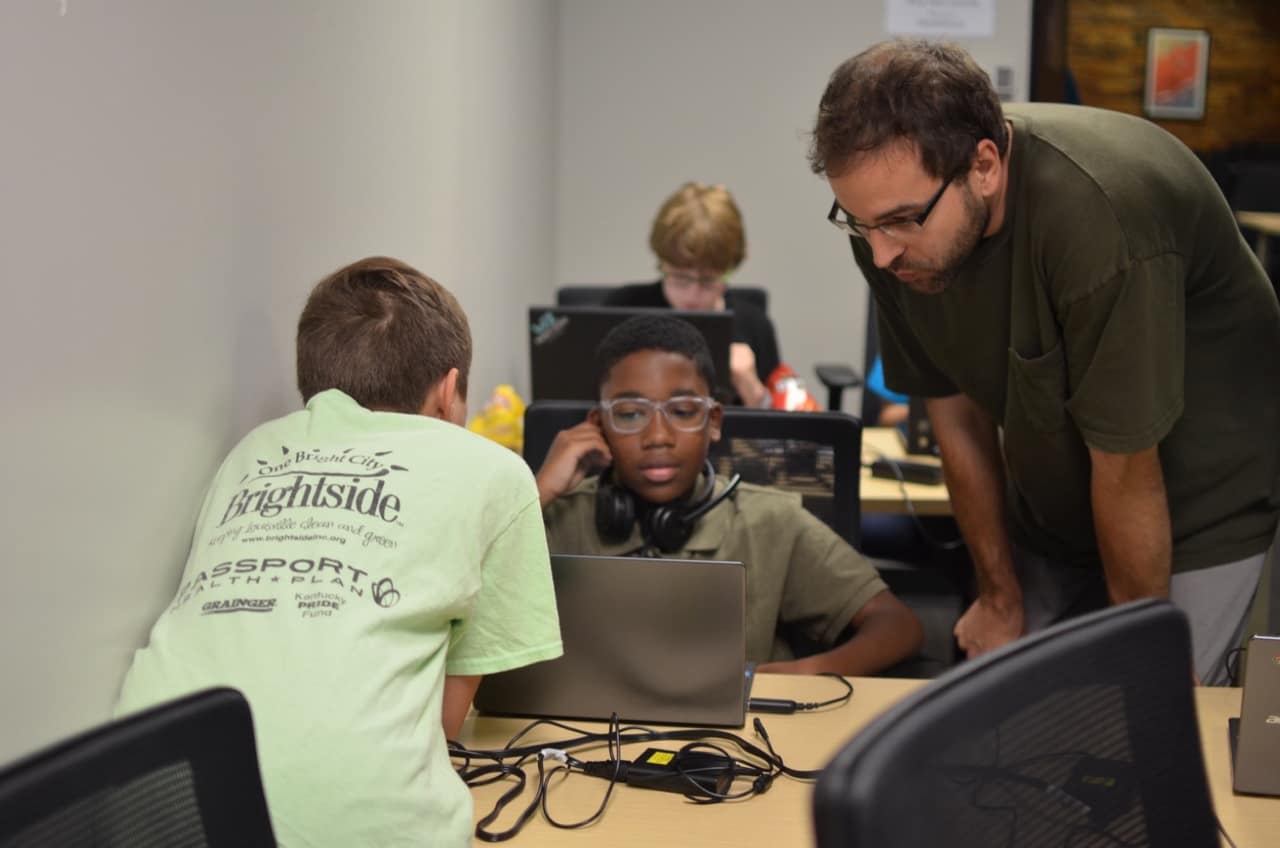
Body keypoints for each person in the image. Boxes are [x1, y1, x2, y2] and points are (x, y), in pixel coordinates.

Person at [810, 39, 1280, 684]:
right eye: (860, 224)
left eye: (901, 221)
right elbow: (955, 420)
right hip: (1059, 512)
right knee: (1011, 720)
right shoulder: (888, 229)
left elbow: (1127, 470)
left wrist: (1136, 668)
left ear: (985, 166)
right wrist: (999, 596)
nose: (882, 255)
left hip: (1199, 511)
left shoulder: (1102, 213)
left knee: (1160, 727)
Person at [114, 257, 562, 847]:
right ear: (450, 393)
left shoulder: (253, 451)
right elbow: (445, 728)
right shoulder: (495, 472)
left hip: (145, 805)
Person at [535, 314, 923, 675]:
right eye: (631, 413)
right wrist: (538, 494)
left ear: (714, 422)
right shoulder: (558, 517)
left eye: (684, 411)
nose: (657, 437)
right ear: (599, 424)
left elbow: (896, 625)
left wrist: (796, 676)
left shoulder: (769, 521)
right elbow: (474, 614)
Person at [604, 181, 782, 407]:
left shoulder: (754, 325)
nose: (693, 293)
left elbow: (775, 435)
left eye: (708, 280)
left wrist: (752, 390)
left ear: (729, 271)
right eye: (680, 278)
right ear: (662, 264)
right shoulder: (623, 309)